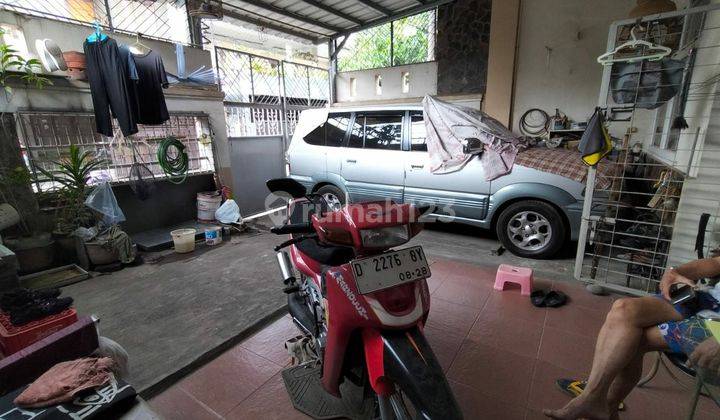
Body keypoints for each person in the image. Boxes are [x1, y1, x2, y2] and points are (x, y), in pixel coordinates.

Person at [543, 256, 720, 420]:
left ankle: (604, 405)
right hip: (711, 301)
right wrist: (676, 272)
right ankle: (594, 398)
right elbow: (717, 263)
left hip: (717, 326)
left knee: (633, 339)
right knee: (623, 309)